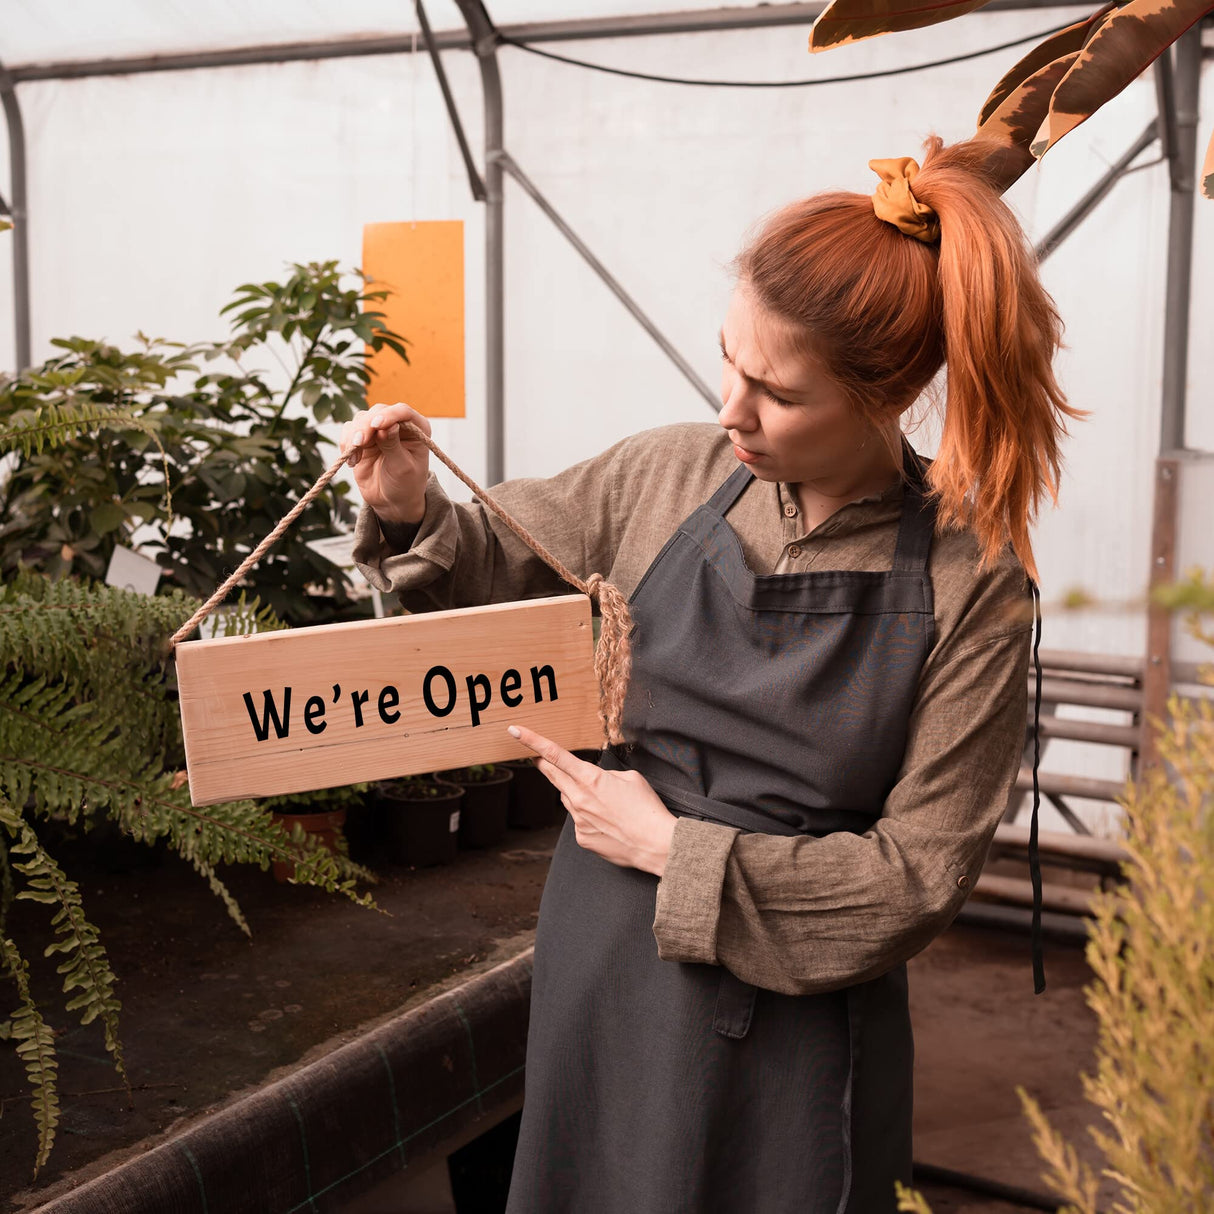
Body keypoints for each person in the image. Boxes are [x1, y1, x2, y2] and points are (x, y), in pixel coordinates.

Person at [346, 135, 1080, 1213]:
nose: (730, 409)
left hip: (793, 1016)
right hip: (601, 963)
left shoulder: (972, 584)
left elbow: (915, 879)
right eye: (727, 361)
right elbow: (498, 562)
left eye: (776, 393)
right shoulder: (666, 473)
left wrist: (671, 848)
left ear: (887, 395)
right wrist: (410, 505)